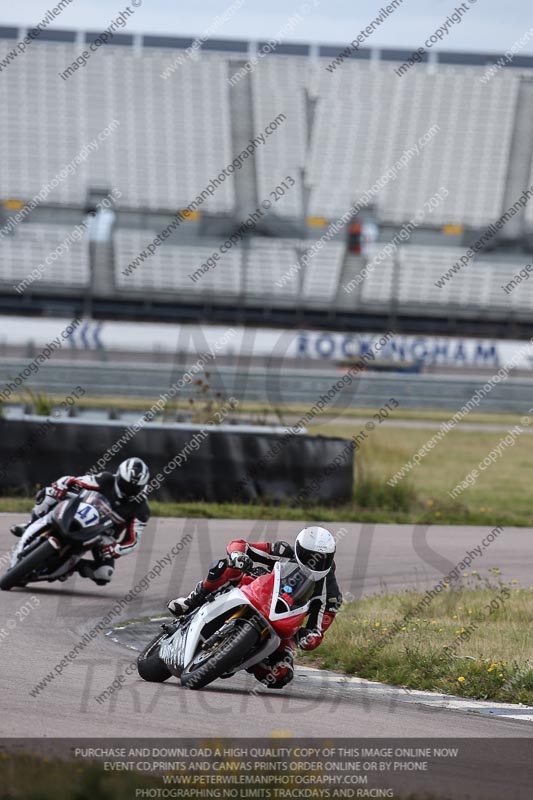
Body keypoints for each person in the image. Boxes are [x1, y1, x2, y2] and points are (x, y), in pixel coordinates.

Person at [167, 526, 342, 689]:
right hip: (255, 589)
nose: (314, 563)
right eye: (308, 555)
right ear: (298, 549)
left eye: (322, 559)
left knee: (281, 674)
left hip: (284, 623)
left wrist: (307, 638)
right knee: (229, 568)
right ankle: (191, 601)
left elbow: (319, 629)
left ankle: (243, 659)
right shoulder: (283, 551)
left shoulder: (330, 592)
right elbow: (242, 545)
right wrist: (238, 555)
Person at [10, 457, 150, 586]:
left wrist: (116, 549)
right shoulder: (106, 479)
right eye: (125, 485)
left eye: (134, 488)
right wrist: (62, 486)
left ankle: (73, 566)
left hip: (103, 534)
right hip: (81, 510)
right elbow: (75, 481)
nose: (129, 490)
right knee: (48, 493)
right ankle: (31, 523)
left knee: (104, 574)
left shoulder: (141, 509)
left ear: (142, 486)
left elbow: (133, 540)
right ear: (118, 475)